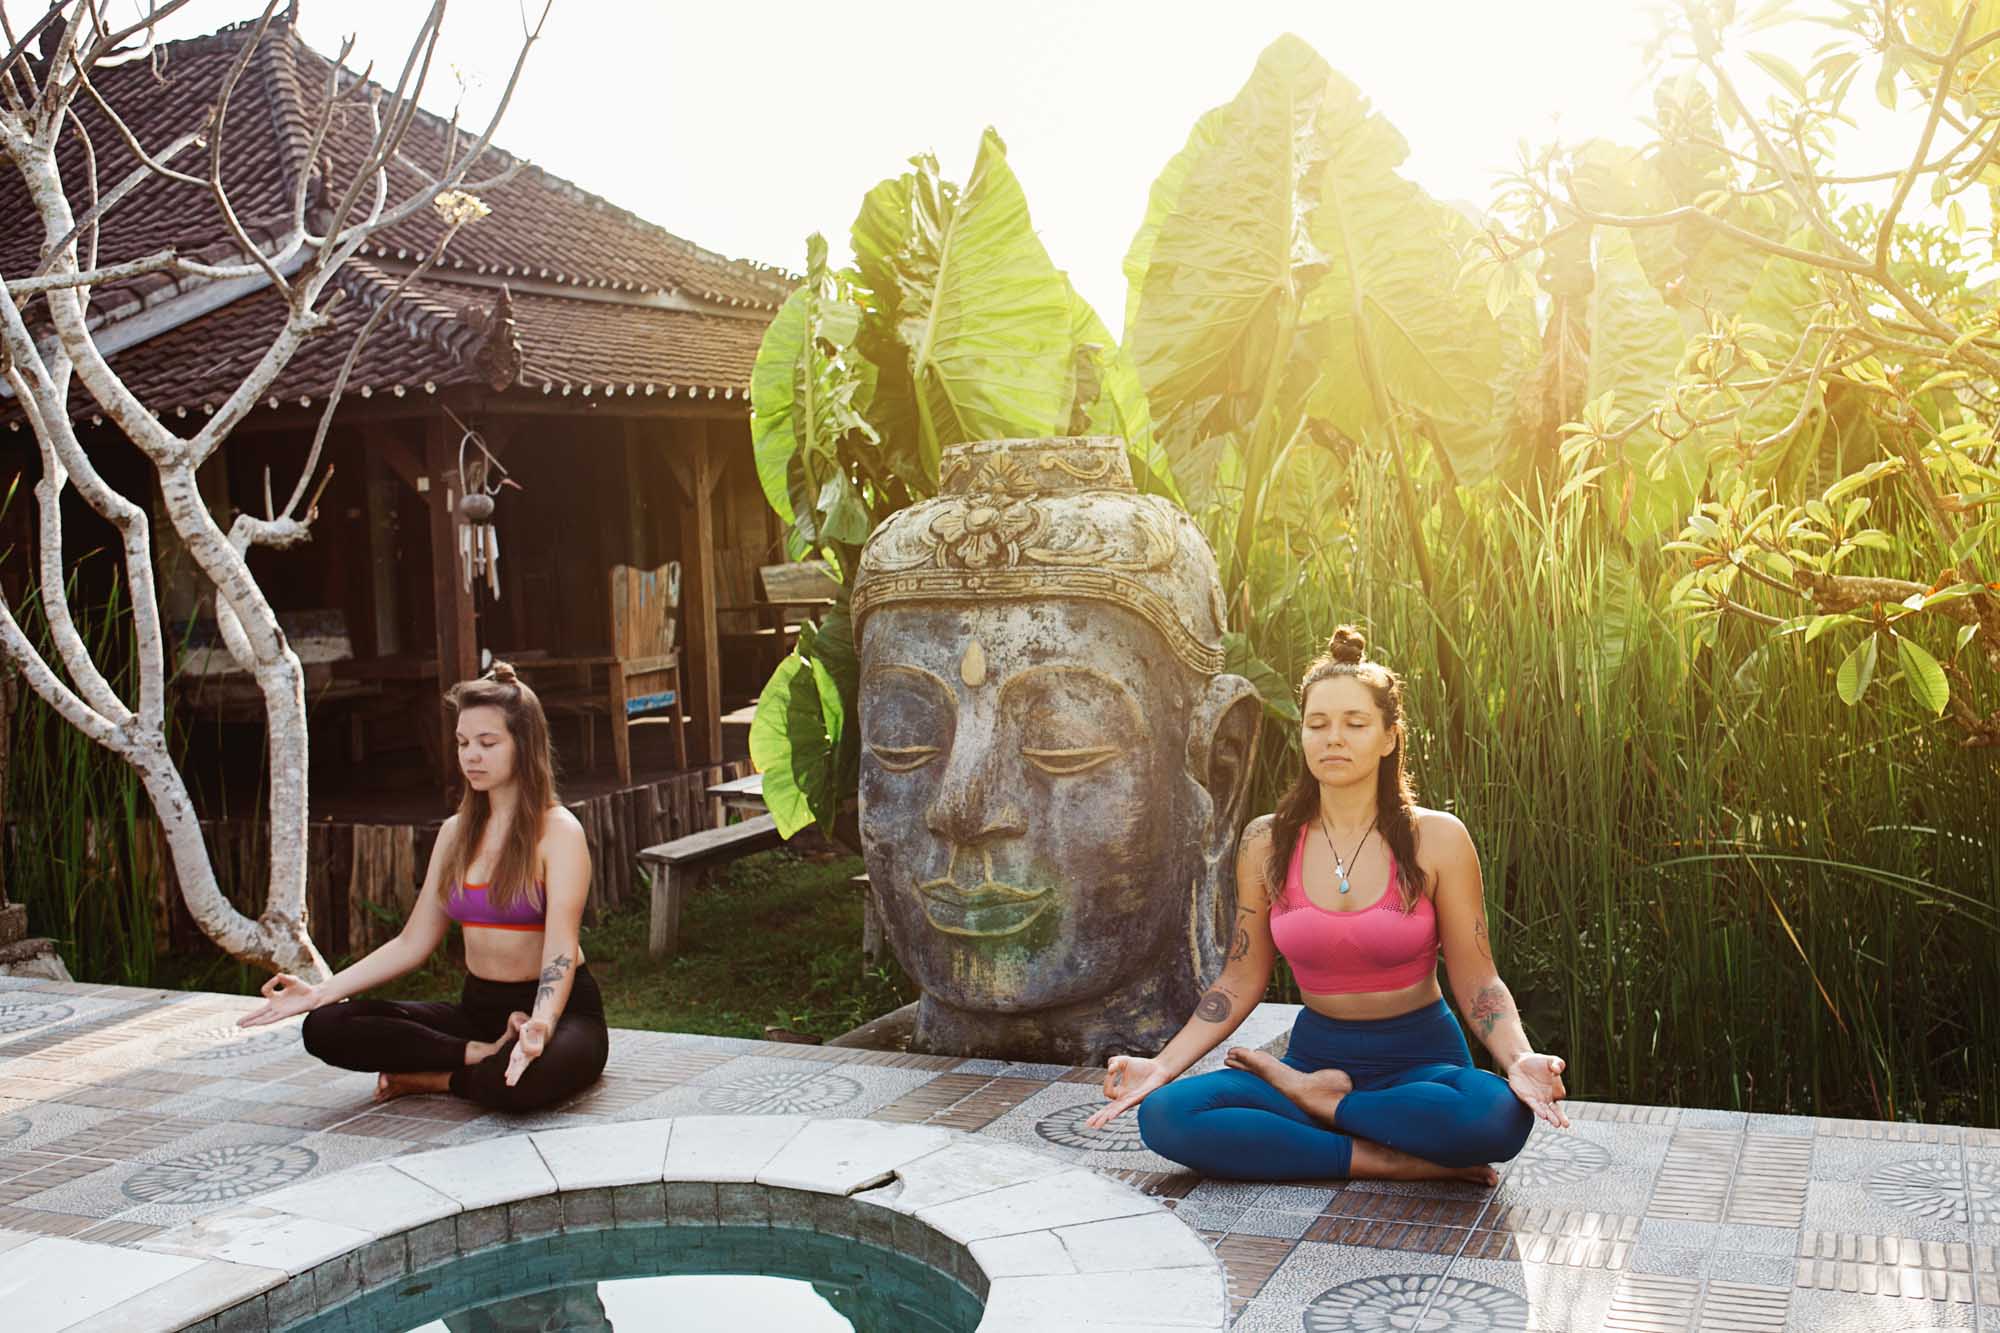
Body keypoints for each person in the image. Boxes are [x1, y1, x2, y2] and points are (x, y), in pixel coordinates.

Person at [1087, 627, 1568, 1183]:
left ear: (1389, 737)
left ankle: (1325, 1110)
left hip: (1422, 1062)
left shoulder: (1438, 838)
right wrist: (1162, 1066)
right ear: (1302, 736)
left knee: (1497, 1117)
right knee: (1168, 1115)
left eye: (1354, 724)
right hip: (1314, 1058)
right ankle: (1385, 1155)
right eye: (1317, 724)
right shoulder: (1266, 842)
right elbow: (1239, 979)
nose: (1333, 738)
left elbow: (1479, 981)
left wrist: (1519, 1060)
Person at [238, 663, 608, 1112]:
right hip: (479, 1012)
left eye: (488, 743)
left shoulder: (557, 831)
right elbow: (412, 942)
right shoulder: (456, 832)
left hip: (562, 1012)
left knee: (524, 1084)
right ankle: (481, 1056)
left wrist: (542, 1025)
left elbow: (561, 948)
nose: (471, 755)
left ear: (524, 746)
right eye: (463, 742)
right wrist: (320, 992)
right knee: (326, 1025)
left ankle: (437, 1078)